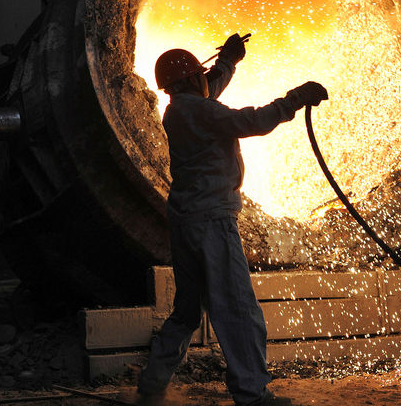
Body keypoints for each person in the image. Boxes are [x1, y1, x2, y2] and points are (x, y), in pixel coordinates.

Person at [136, 33, 327, 406]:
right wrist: (294, 99)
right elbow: (252, 121)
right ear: (190, 79)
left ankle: (153, 383)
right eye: (200, 74)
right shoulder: (200, 110)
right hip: (213, 222)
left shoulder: (181, 109)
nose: (205, 78)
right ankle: (252, 394)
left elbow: (209, 90)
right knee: (238, 309)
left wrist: (229, 61)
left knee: (186, 312)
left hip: (187, 221)